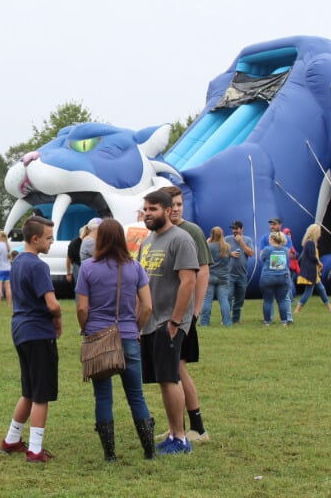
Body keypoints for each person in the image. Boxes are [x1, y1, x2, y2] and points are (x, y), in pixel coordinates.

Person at [75, 218, 155, 461]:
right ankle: (149, 450)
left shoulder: (88, 267)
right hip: (128, 335)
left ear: (100, 239)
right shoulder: (135, 267)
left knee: (103, 396)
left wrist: (84, 329)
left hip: (99, 336)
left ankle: (110, 453)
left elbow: (81, 309)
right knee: (136, 395)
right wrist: (136, 328)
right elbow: (148, 306)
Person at [136, 190, 198, 454]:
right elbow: (141, 285)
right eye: (146, 209)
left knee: (170, 378)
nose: (148, 214)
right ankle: (173, 432)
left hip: (168, 323)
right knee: (162, 379)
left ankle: (181, 438)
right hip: (150, 321)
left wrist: (175, 321)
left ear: (167, 210)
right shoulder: (147, 241)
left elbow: (188, 282)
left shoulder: (181, 239)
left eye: (153, 209)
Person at [0, 215, 61, 463]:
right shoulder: (38, 265)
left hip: (20, 329)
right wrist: (58, 320)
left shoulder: (18, 262)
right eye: (48, 238)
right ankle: (35, 449)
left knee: (29, 390)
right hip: (38, 332)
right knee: (41, 394)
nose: (51, 242)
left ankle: (11, 440)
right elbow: (52, 304)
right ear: (35, 239)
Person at [160, 186, 211, 444]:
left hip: (183, 315)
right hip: (164, 314)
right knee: (170, 371)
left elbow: (202, 272)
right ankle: (175, 427)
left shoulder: (192, 232)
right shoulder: (162, 233)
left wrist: (197, 309)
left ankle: (198, 428)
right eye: (173, 204)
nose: (178, 208)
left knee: (178, 369)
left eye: (180, 204)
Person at [294, 224, 331, 314]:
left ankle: (330, 308)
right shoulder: (310, 243)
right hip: (310, 273)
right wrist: (319, 263)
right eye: (319, 232)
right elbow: (312, 257)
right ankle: (297, 310)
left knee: (321, 289)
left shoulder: (310, 243)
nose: (320, 234)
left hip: (314, 273)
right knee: (308, 292)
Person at [200, 227, 232, 327]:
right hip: (223, 277)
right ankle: (227, 322)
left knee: (207, 300)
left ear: (211, 234)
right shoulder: (227, 247)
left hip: (210, 276)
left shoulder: (208, 246)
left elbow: (204, 260)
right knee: (224, 300)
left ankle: (205, 323)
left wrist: (207, 242)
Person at [259, 231, 293, 325]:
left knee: (268, 300)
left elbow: (262, 258)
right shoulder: (286, 250)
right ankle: (284, 321)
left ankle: (267, 321)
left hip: (268, 277)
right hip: (283, 277)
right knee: (282, 300)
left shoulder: (267, 249)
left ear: (272, 239)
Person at [224, 221, 253, 324]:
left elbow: (250, 253)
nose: (234, 231)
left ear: (242, 229)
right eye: (233, 229)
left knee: (239, 299)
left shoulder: (248, 240)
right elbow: (220, 252)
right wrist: (230, 253)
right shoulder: (227, 239)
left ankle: (236, 320)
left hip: (242, 275)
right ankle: (226, 319)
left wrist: (241, 242)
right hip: (230, 274)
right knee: (228, 296)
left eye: (236, 228)